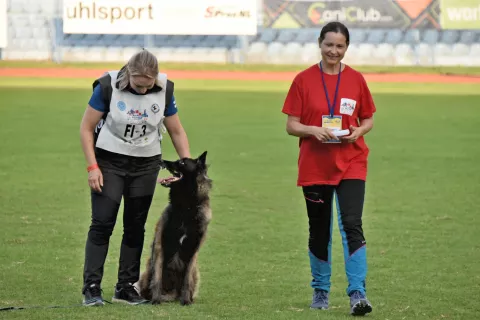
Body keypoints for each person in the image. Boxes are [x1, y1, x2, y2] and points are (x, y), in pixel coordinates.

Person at [79, 49, 191, 306]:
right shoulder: (107, 86)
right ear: (128, 74)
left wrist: (185, 167)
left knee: (134, 226)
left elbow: (176, 130)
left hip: (146, 164)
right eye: (137, 85)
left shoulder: (165, 89)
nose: (142, 90)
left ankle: (126, 287)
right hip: (109, 162)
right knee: (103, 223)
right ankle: (92, 288)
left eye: (147, 85)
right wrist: (92, 167)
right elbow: (86, 128)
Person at [281, 21, 376, 316]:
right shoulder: (303, 80)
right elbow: (291, 125)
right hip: (315, 166)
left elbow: (368, 119)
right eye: (329, 45)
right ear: (319, 43)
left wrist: (360, 132)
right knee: (319, 230)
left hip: (351, 161)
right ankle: (320, 292)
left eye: (340, 46)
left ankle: (357, 293)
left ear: (346, 47)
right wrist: (312, 130)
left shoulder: (357, 80)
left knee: (352, 224)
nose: (334, 51)